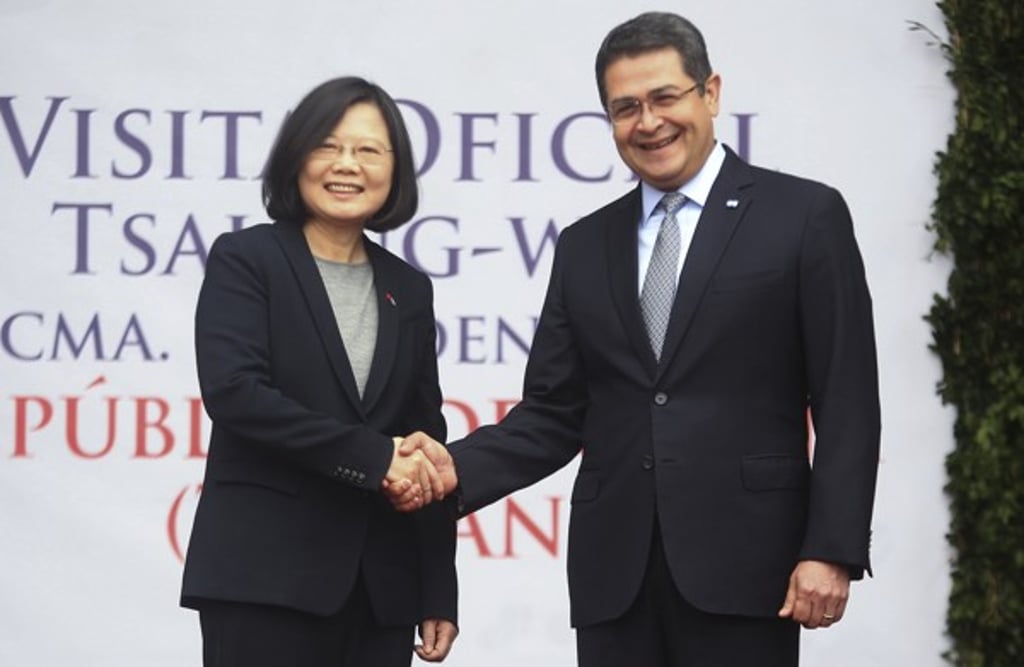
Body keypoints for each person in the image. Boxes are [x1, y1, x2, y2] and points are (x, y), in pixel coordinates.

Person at [400, 11, 880, 667]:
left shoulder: (803, 216)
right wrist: (457, 466)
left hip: (750, 569)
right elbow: (553, 410)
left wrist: (831, 546)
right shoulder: (584, 244)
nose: (647, 122)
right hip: (613, 578)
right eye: (625, 107)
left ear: (710, 93)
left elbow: (846, 396)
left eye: (664, 98)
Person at [180, 76, 458, 666]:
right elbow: (237, 394)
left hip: (379, 592)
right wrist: (374, 457)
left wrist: (436, 585)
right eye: (328, 146)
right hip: (263, 582)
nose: (346, 165)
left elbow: (423, 438)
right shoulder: (247, 259)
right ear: (296, 157)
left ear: (395, 171)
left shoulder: (409, 289)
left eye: (368, 150)